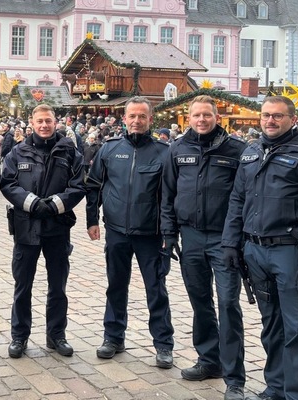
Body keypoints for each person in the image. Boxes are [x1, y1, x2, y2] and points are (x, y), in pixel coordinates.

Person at [222, 96, 298, 400]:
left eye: (277, 116)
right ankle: (276, 388)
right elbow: (237, 201)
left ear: (292, 119)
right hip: (255, 252)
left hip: (291, 253)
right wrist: (230, 243)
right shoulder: (251, 153)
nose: (270, 121)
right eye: (265, 116)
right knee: (271, 325)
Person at [160, 96, 248, 400]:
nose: (201, 120)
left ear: (217, 116)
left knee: (227, 304)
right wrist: (169, 233)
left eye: (206, 115)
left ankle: (234, 378)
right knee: (200, 303)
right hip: (191, 237)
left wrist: (238, 238)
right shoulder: (177, 149)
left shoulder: (237, 150)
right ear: (188, 117)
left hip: (225, 239)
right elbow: (168, 194)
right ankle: (209, 360)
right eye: (196, 115)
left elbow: (245, 198)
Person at [86, 96, 175, 369]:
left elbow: (171, 195)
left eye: (142, 117)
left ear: (150, 119)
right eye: (132, 116)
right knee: (115, 286)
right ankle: (113, 337)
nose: (137, 121)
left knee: (156, 289)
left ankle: (163, 344)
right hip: (117, 232)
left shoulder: (164, 152)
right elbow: (94, 186)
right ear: (124, 119)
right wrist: (92, 220)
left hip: (151, 234)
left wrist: (169, 233)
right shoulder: (109, 149)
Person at [0, 104, 86, 358]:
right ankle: (19, 336)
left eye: (48, 120)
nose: (45, 125)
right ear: (32, 122)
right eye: (40, 121)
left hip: (57, 228)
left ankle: (56, 335)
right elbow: (8, 183)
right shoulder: (18, 152)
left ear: (55, 121)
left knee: (57, 286)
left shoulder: (70, 152)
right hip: (26, 227)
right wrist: (33, 203)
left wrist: (54, 205)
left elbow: (78, 186)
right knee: (22, 286)